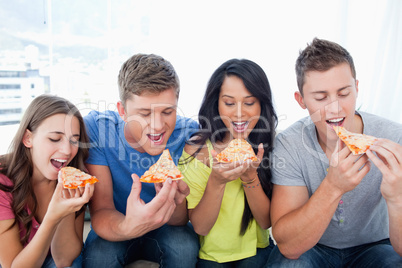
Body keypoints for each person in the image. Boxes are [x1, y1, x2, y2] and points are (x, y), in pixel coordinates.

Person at [267, 38, 402, 267]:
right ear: (301, 100)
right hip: (313, 248)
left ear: (357, 88)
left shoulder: (393, 137)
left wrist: (397, 198)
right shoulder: (290, 144)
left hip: (377, 246)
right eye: (321, 98)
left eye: (343, 93)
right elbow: (289, 247)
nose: (335, 107)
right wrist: (333, 186)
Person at [82, 53, 199, 267]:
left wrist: (176, 202)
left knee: (184, 248)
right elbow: (101, 210)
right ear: (122, 111)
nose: (157, 125)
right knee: (100, 255)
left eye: (167, 111)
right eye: (144, 113)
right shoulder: (98, 130)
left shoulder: (190, 135)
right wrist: (130, 226)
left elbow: (180, 221)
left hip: (167, 228)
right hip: (116, 222)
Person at [179, 59, 277, 267]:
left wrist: (250, 178)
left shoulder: (270, 146)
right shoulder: (197, 150)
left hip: (257, 251)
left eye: (249, 103)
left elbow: (266, 222)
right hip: (212, 256)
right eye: (229, 103)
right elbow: (200, 227)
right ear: (216, 104)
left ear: (261, 104)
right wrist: (216, 182)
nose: (239, 113)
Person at [0, 94, 95, 268]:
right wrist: (53, 216)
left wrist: (66, 207)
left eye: (74, 140)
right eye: (54, 139)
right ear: (28, 139)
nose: (67, 150)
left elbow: (64, 260)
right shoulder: (2, 182)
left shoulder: (77, 177)